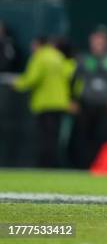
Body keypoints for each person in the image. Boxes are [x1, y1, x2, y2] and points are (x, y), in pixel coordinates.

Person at [13, 37, 75, 167]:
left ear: (39, 45)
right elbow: (70, 73)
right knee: (54, 137)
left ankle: (45, 165)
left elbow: (31, 79)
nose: (32, 49)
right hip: (60, 104)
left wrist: (17, 84)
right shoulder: (59, 57)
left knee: (44, 138)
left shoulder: (40, 57)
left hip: (45, 104)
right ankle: (53, 165)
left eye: (33, 46)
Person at [71, 25, 107, 168]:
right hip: (86, 105)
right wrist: (73, 100)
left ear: (106, 41)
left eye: (101, 39)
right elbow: (73, 80)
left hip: (105, 106)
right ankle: (83, 167)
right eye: (95, 39)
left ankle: (101, 167)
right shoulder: (83, 59)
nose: (98, 42)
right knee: (83, 138)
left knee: (103, 137)